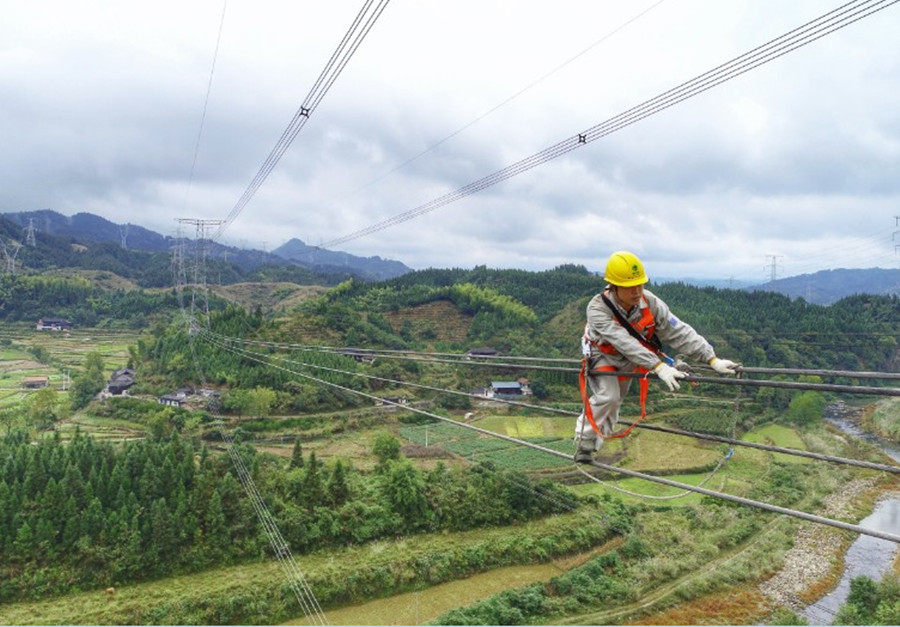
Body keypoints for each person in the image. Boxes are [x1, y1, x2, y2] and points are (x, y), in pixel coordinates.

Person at [574, 251, 739, 463]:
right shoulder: (597, 309)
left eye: (640, 285)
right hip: (603, 354)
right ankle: (584, 443)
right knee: (608, 396)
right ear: (614, 287)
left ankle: (594, 445)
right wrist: (658, 366)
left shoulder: (650, 303)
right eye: (629, 286)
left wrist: (711, 359)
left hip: (632, 358)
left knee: (615, 403)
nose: (636, 291)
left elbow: (678, 331)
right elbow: (623, 341)